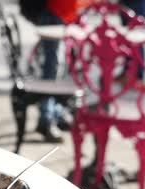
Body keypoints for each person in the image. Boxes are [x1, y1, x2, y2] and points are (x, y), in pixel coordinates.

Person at [20, 0, 96, 142]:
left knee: (61, 68)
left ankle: (56, 113)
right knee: (53, 69)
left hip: (64, 16)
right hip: (55, 13)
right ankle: (46, 119)